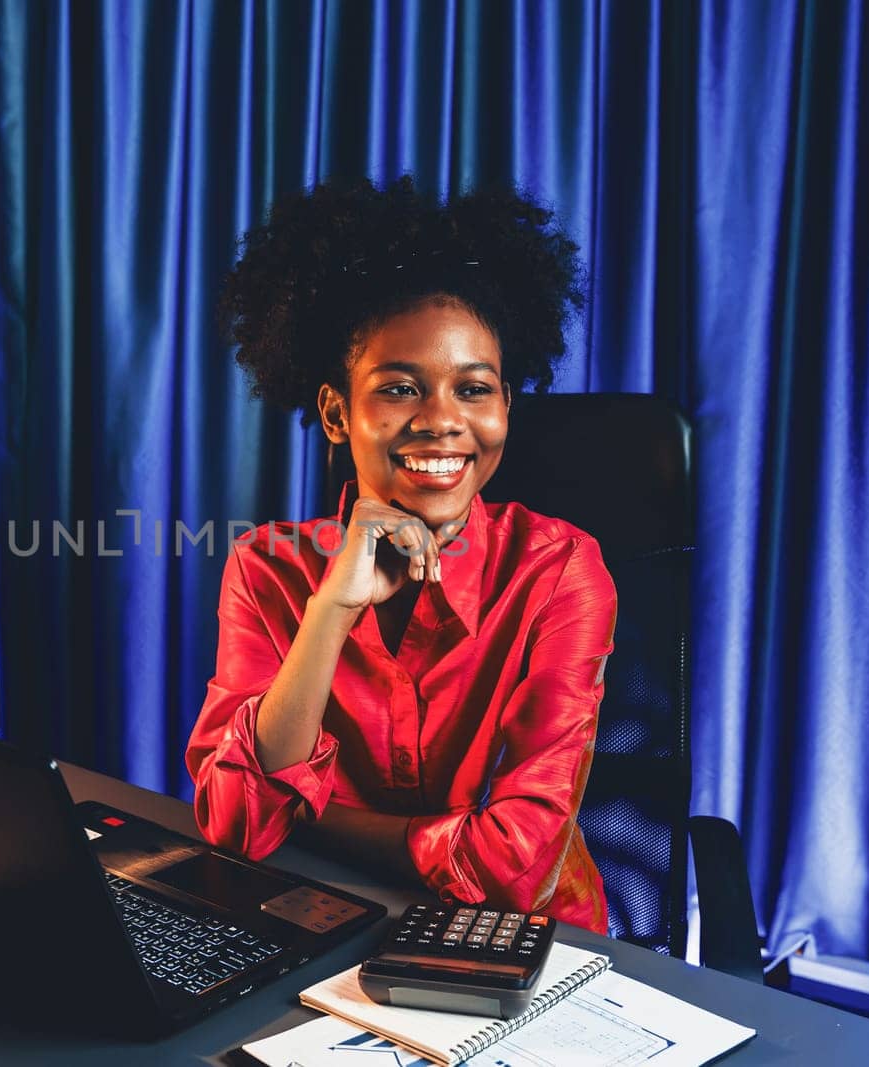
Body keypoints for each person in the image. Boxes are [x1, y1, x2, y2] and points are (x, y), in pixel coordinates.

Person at [184, 176, 616, 931]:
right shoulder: (269, 571)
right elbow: (238, 823)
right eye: (401, 389)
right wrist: (331, 610)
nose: (444, 422)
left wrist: (311, 816)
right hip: (326, 931)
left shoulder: (561, 572)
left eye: (474, 390)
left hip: (525, 949)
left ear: (505, 406)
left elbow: (514, 862)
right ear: (335, 412)